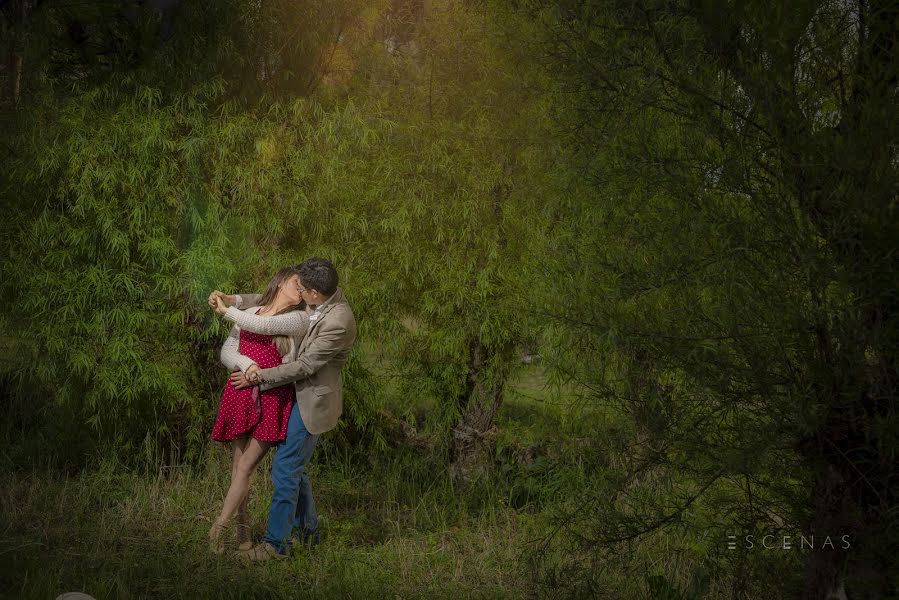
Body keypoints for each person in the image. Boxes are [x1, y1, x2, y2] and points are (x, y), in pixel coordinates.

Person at [208, 257, 356, 560]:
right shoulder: (317, 299)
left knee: (285, 470)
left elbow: (303, 366)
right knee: (295, 471)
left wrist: (257, 377)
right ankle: (307, 531)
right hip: (285, 392)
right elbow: (263, 300)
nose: (298, 291)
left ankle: (275, 546)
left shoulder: (337, 320)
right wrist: (233, 300)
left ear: (313, 294)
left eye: (302, 288)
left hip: (308, 400)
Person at [207, 266, 309, 554]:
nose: (300, 290)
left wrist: (227, 309)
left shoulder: (298, 320)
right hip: (240, 392)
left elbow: (264, 329)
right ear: (279, 282)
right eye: (295, 283)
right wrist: (247, 365)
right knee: (238, 468)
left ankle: (218, 529)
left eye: (304, 288)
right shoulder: (252, 313)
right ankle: (242, 530)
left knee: (247, 466)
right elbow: (227, 350)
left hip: (273, 398)